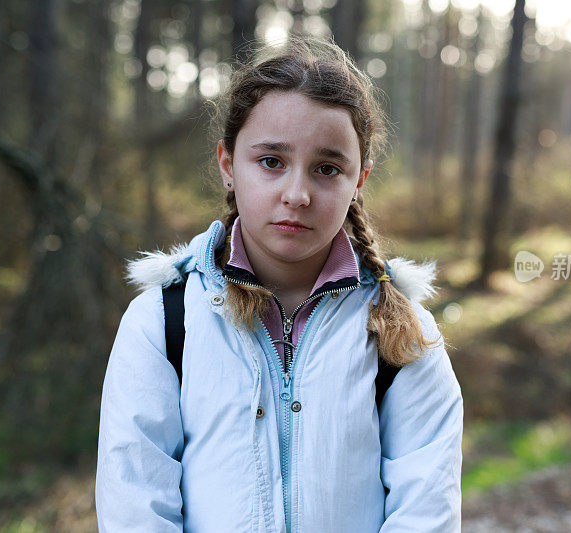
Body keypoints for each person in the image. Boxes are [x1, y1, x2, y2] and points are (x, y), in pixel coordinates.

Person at [95, 36, 463, 532]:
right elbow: (134, 503)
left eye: (327, 169)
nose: (297, 194)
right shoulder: (164, 323)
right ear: (228, 165)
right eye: (271, 161)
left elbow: (427, 510)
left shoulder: (402, 333)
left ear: (359, 180)